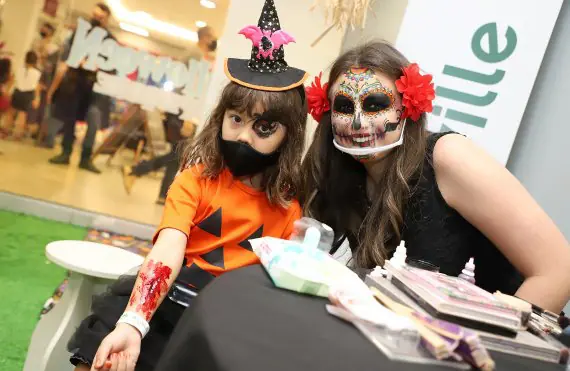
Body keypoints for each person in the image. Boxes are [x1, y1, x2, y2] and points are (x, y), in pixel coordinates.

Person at [67, 1, 308, 369]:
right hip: (161, 304)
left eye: (263, 128)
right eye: (236, 119)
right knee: (102, 353)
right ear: (220, 118)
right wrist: (134, 322)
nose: (243, 136)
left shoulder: (290, 210)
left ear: (287, 137)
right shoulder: (195, 180)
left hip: (218, 323)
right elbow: (168, 250)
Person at [301, 41, 570, 313]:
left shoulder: (449, 156)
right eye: (345, 107)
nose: (358, 122)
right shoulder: (340, 175)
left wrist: (481, 347)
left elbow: (558, 269)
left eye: (375, 105)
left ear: (408, 107)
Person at [47, 2, 113, 173]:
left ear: (106, 20)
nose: (96, 20)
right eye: (94, 16)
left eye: (100, 18)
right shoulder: (78, 33)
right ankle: (65, 152)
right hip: (75, 83)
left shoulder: (109, 40)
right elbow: (66, 56)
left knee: (93, 121)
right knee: (69, 119)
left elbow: (112, 64)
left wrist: (99, 65)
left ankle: (85, 157)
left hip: (96, 88)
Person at [122, 112, 197, 205]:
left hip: (179, 119)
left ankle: (162, 195)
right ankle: (134, 171)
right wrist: (188, 118)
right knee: (176, 156)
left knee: (175, 158)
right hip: (181, 119)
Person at [0, 51, 41, 140]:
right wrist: (37, 98)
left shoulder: (19, 69)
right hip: (28, 94)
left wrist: (7, 91)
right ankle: (17, 134)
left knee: (10, 112)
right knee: (22, 115)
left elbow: (12, 80)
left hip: (17, 92)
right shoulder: (37, 73)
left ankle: (5, 132)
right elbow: (37, 86)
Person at [29, 22, 59, 140]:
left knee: (41, 105)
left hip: (43, 76)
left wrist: (43, 53)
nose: (43, 30)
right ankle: (31, 128)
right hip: (33, 73)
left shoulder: (53, 47)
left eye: (46, 29)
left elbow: (48, 64)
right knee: (32, 102)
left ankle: (40, 132)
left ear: (50, 32)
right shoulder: (36, 42)